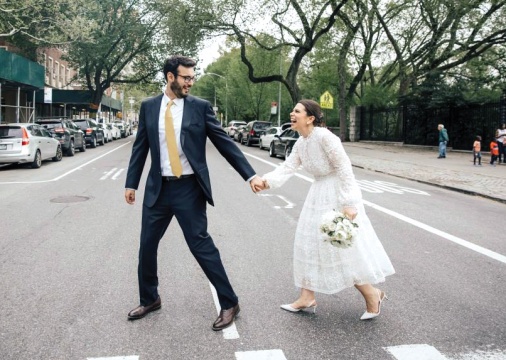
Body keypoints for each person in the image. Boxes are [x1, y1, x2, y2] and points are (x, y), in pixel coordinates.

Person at [124, 55, 265, 331]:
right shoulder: (149, 107)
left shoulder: (199, 107)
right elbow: (140, 146)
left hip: (188, 188)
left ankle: (229, 302)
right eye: (186, 77)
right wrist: (132, 183)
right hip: (158, 188)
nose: (191, 82)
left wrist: (250, 174)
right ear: (170, 77)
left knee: (200, 245)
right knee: (147, 246)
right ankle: (150, 298)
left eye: (192, 77)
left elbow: (224, 142)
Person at [259, 99, 395, 320]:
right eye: (292, 111)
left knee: (342, 248)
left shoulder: (325, 137)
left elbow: (344, 167)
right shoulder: (301, 143)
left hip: (338, 194)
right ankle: (306, 297)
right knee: (309, 244)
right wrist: (266, 182)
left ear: (310, 118)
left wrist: (349, 203)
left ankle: (372, 295)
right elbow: (287, 167)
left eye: (297, 111)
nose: (291, 114)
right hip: (318, 194)